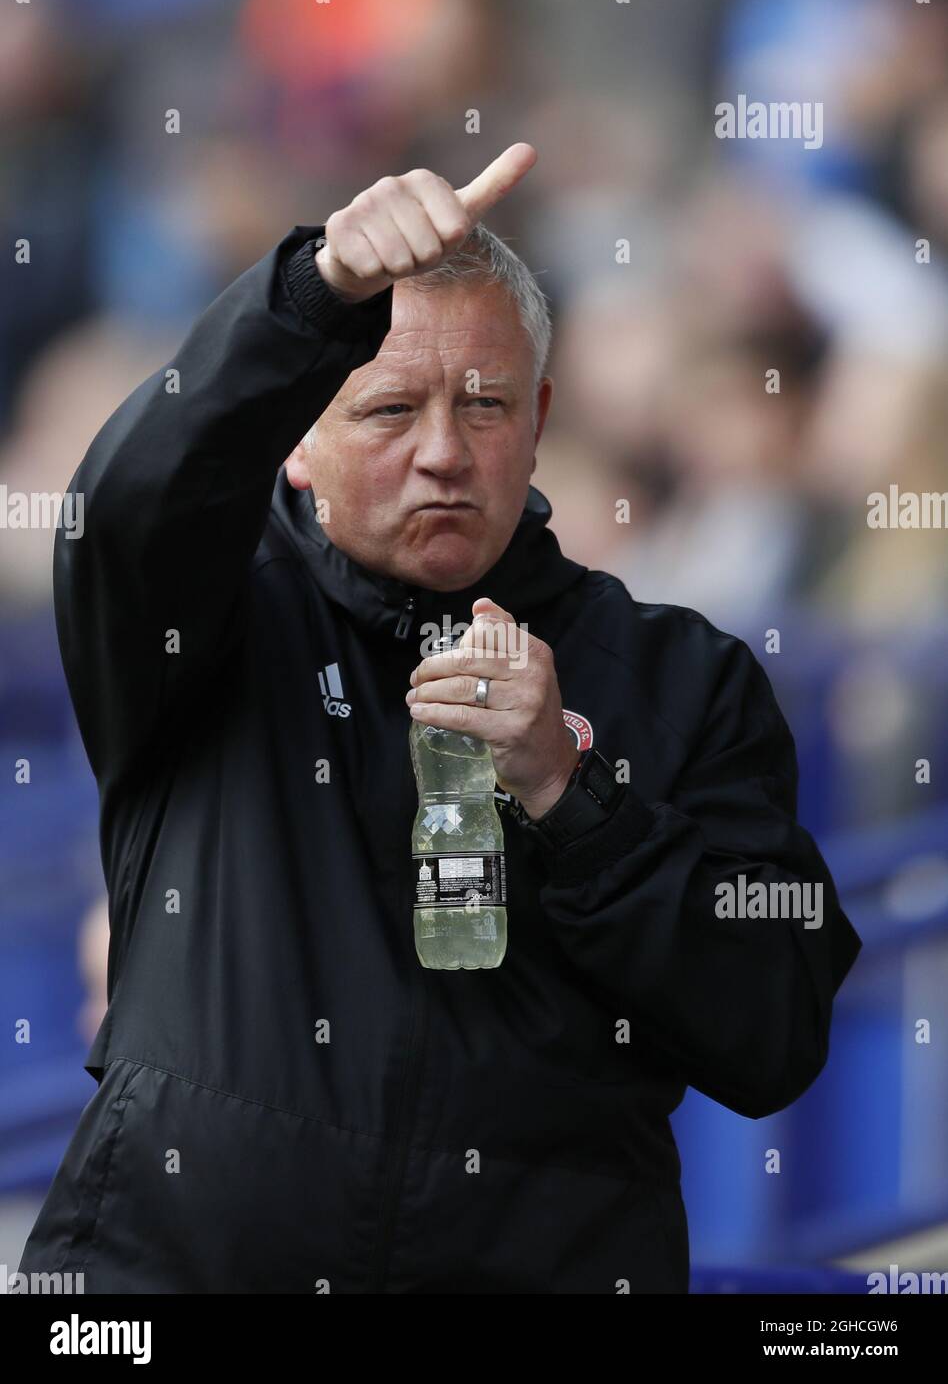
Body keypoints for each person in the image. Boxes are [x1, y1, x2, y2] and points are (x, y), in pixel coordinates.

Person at [19, 144, 861, 1294]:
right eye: (389, 408)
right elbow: (126, 502)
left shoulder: (682, 675)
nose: (443, 453)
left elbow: (775, 1027)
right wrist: (310, 294)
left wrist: (576, 799)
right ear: (299, 439)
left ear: (540, 418)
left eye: (485, 404)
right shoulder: (210, 613)